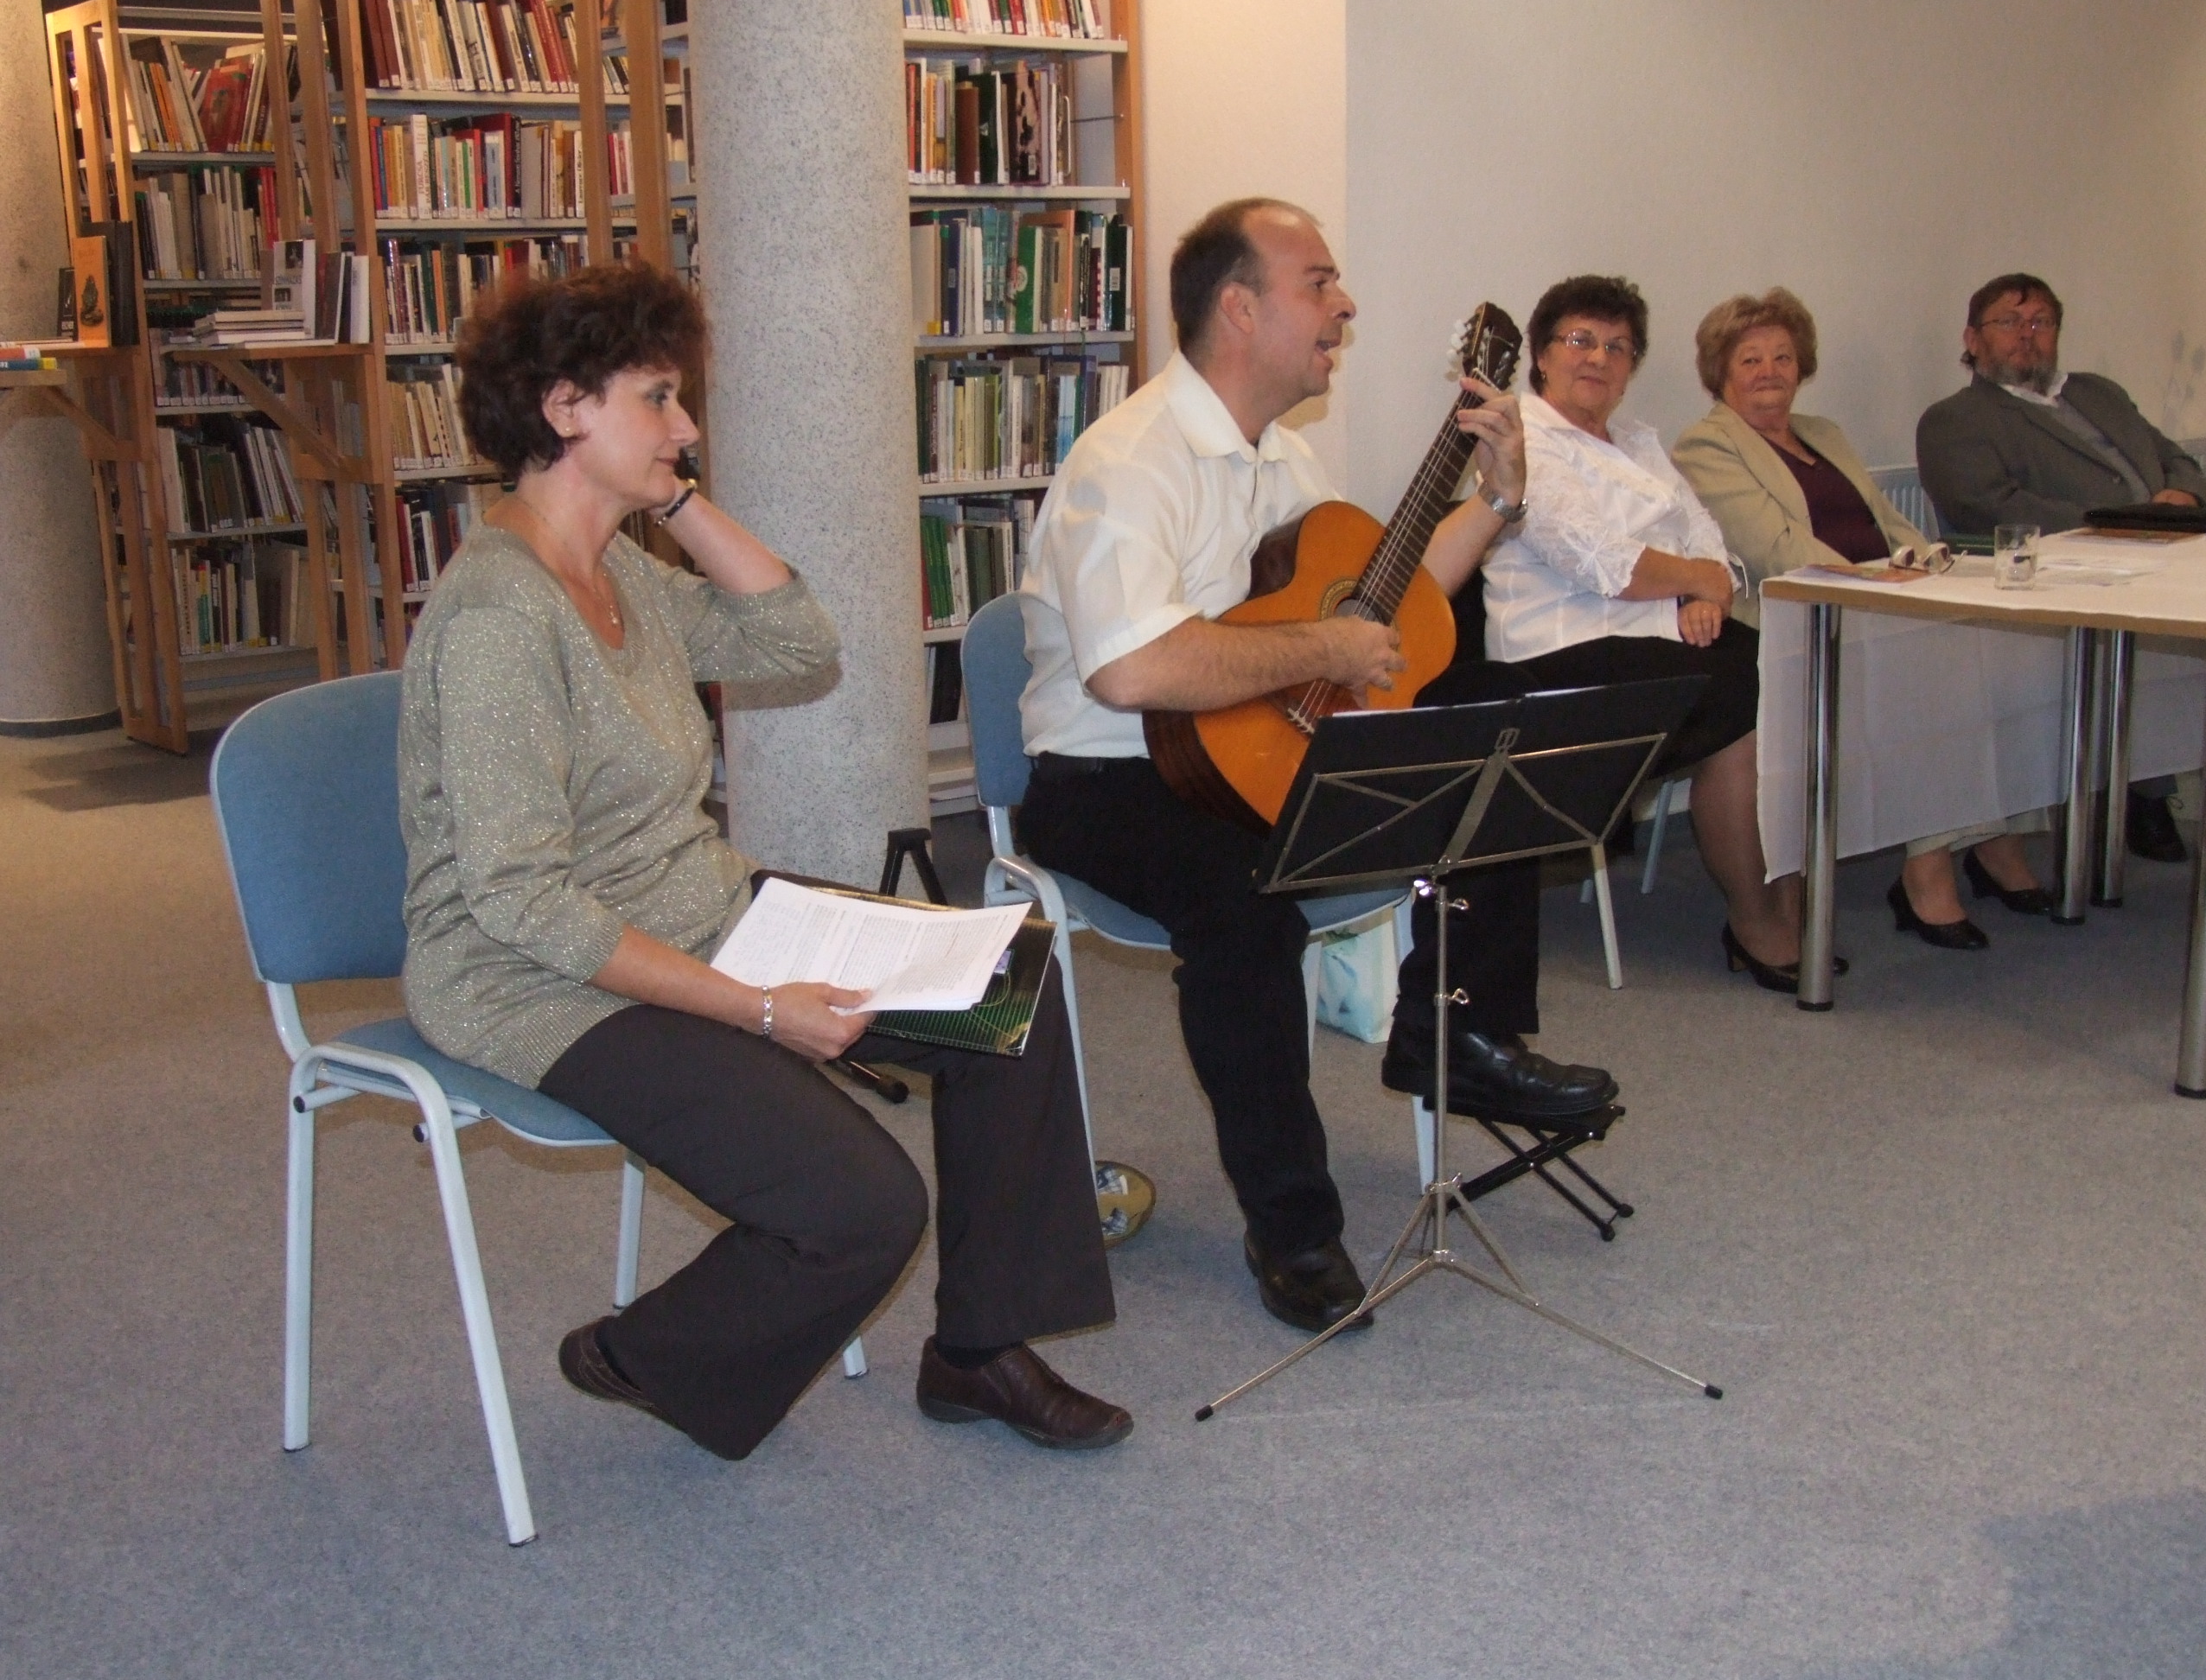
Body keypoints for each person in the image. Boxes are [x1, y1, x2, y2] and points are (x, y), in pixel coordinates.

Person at [398, 263, 1129, 1463]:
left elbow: (796, 637)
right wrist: (760, 1011)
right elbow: (524, 903)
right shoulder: (497, 621)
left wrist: (674, 496)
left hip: (698, 911)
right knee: (863, 1206)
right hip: (534, 980)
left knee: (1010, 990)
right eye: (658, 399)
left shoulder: (619, 571)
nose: (686, 426)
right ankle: (642, 1354)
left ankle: (978, 1350)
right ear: (565, 407)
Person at [1013, 199, 1614, 1337]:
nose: (1346, 306)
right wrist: (1321, 651)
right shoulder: (1126, 462)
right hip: (1106, 776)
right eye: (1320, 283)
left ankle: (1458, 1031)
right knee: (1244, 905)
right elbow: (1132, 673)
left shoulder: (1283, 456)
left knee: (1481, 740)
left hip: (1259, 750)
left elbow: (1389, 608)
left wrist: (1497, 497)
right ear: (1240, 309)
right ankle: (1293, 1227)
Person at [1424, 273, 1817, 992]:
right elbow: (1606, 563)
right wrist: (1697, 583)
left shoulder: (1638, 441)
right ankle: (1762, 918)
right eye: (1580, 340)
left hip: (1659, 637)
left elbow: (1709, 540)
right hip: (1563, 659)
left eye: (1617, 346)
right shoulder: (1522, 441)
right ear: (1542, 355)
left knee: (1779, 675)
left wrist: (1703, 589)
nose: (1598, 358)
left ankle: (1770, 909)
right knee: (1755, 680)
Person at [1673, 288, 2053, 950]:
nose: (1769, 371)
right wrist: (1884, 588)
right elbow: (1778, 550)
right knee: (1940, 677)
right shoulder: (1706, 446)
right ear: (1720, 372)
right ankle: (1928, 869)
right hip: (1796, 622)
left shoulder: (1824, 434)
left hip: (1882, 604)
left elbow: (1890, 521)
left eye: (1783, 356)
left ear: (1803, 365)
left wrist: (1927, 565)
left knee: (2004, 655)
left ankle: (1994, 840)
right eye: (1750, 359)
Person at [1916, 272, 2206, 862]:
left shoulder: (2098, 393)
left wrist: (2181, 495)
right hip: (2062, 580)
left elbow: (2173, 457)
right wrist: (2121, 524)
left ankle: (2154, 780)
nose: (2027, 334)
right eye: (2009, 322)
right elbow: (1989, 506)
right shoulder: (1956, 419)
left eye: (2041, 322)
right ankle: (2141, 791)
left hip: (2161, 556)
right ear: (1972, 339)